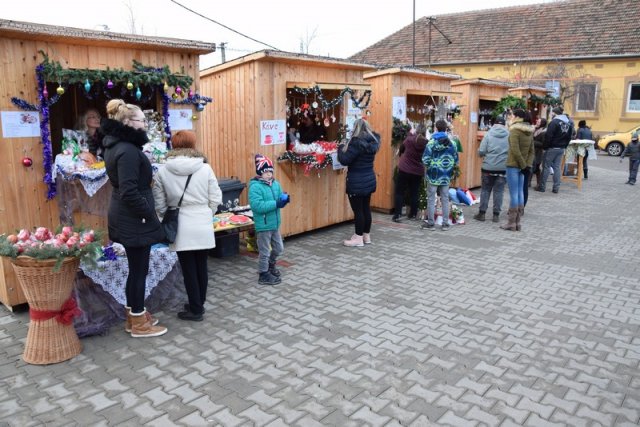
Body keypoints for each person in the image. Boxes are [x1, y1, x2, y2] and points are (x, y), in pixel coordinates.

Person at [101, 99, 167, 337]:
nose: (145, 124)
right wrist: (148, 213)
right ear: (128, 122)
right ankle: (139, 323)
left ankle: (134, 315)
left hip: (128, 216)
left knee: (136, 269)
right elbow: (129, 191)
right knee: (139, 270)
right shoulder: (127, 150)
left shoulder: (119, 146)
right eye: (142, 120)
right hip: (134, 218)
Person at [152, 130, 222, 321]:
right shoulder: (205, 168)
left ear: (173, 145)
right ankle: (198, 303)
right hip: (202, 220)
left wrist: (166, 218)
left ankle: (195, 308)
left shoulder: (163, 171)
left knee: (188, 268)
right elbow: (216, 197)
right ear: (192, 144)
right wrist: (207, 213)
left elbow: (159, 203)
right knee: (201, 265)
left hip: (179, 223)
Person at [337, 118, 381, 246]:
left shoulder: (356, 143)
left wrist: (340, 147)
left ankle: (358, 238)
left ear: (356, 128)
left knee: (358, 211)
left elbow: (344, 160)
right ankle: (366, 236)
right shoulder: (372, 142)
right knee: (366, 208)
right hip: (369, 179)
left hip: (356, 181)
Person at [248, 154, 289, 285]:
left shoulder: (275, 184)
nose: (269, 174)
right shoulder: (255, 187)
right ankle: (263, 274)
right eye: (266, 172)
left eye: (270, 171)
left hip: (274, 223)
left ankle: (271, 265)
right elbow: (257, 206)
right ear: (260, 172)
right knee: (264, 251)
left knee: (279, 248)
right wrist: (276, 203)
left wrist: (284, 199)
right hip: (264, 225)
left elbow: (279, 198)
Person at [420, 119, 459, 231]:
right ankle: (445, 224)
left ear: (436, 128)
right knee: (445, 199)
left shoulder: (431, 143)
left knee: (431, 199)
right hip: (446, 175)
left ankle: (431, 224)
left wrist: (432, 165)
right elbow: (456, 160)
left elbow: (425, 159)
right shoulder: (452, 144)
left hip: (433, 175)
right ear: (446, 129)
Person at [501, 109, 534, 231]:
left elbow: (515, 150)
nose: (510, 117)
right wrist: (526, 165)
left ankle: (511, 223)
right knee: (520, 192)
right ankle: (517, 223)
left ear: (517, 117)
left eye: (512, 115)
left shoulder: (514, 130)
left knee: (514, 194)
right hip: (522, 167)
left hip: (513, 165)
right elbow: (532, 152)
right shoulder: (529, 131)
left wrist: (523, 165)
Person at [474, 116, 509, 223]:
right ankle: (496, 215)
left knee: (485, 190)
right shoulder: (509, 136)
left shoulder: (488, 134)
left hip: (488, 168)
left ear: (494, 124)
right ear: (504, 125)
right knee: (499, 191)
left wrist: (480, 153)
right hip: (503, 168)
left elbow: (482, 151)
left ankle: (482, 213)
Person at [392, 123, 428, 222]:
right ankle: (413, 214)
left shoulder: (409, 139)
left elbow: (402, 149)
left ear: (416, 130)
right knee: (414, 193)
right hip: (417, 171)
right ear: (425, 132)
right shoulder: (426, 143)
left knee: (399, 192)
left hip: (404, 169)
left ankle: (397, 215)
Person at [538, 106, 573, 193]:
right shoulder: (568, 123)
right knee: (557, 168)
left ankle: (542, 187)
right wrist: (564, 146)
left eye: (552, 112)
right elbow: (569, 137)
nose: (551, 114)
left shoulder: (554, 122)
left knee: (546, 167)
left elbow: (548, 136)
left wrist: (545, 147)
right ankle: (556, 188)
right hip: (561, 148)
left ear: (555, 113)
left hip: (552, 148)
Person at [531, 118, 547, 190]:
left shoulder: (544, 132)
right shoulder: (535, 129)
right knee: (532, 167)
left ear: (542, 123)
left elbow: (543, 144)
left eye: (539, 121)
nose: (537, 121)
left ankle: (539, 184)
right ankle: (529, 182)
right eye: (537, 120)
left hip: (538, 152)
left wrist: (533, 142)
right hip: (533, 151)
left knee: (537, 167)